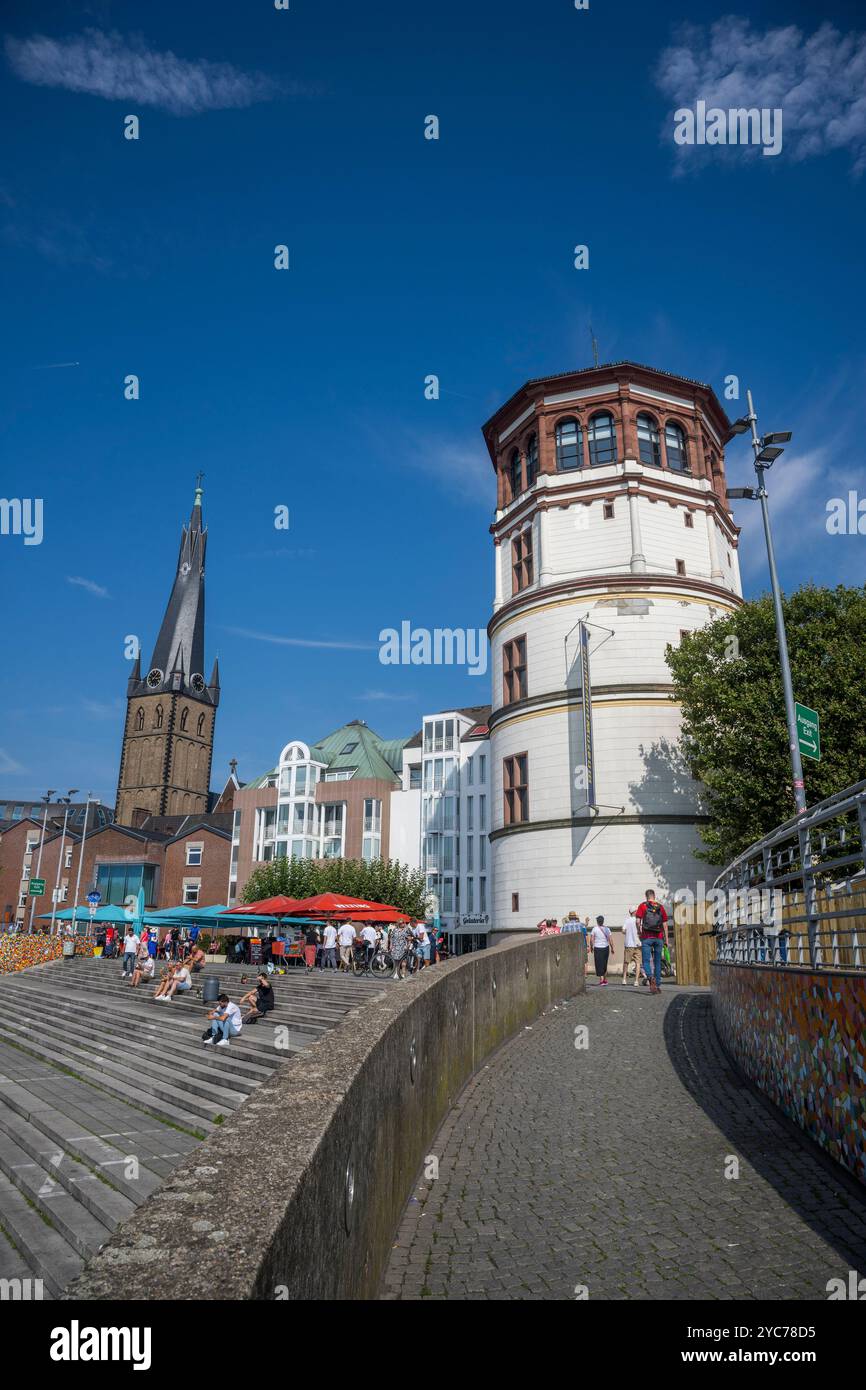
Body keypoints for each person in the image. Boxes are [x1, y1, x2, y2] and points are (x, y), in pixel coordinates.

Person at [635, 889, 669, 995]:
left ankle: (650, 978)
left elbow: (637, 921)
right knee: (657, 962)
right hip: (658, 937)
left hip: (646, 937)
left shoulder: (642, 906)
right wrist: (666, 939)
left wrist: (639, 932)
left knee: (645, 961)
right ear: (654, 896)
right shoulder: (660, 906)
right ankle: (657, 985)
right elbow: (665, 924)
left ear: (646, 896)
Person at [589, 915, 613, 986]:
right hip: (606, 947)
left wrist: (591, 947)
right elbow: (610, 939)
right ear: (603, 921)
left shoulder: (594, 929)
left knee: (599, 964)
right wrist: (612, 948)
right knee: (605, 963)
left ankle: (601, 980)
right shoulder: (607, 929)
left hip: (598, 948)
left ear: (597, 921)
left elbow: (592, 939)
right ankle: (605, 980)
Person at [622, 907, 642, 988]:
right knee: (638, 963)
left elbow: (623, 930)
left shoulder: (627, 920)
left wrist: (628, 932)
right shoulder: (639, 920)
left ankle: (624, 979)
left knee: (626, 962)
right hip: (638, 944)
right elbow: (641, 930)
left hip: (629, 944)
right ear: (635, 912)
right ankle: (636, 981)